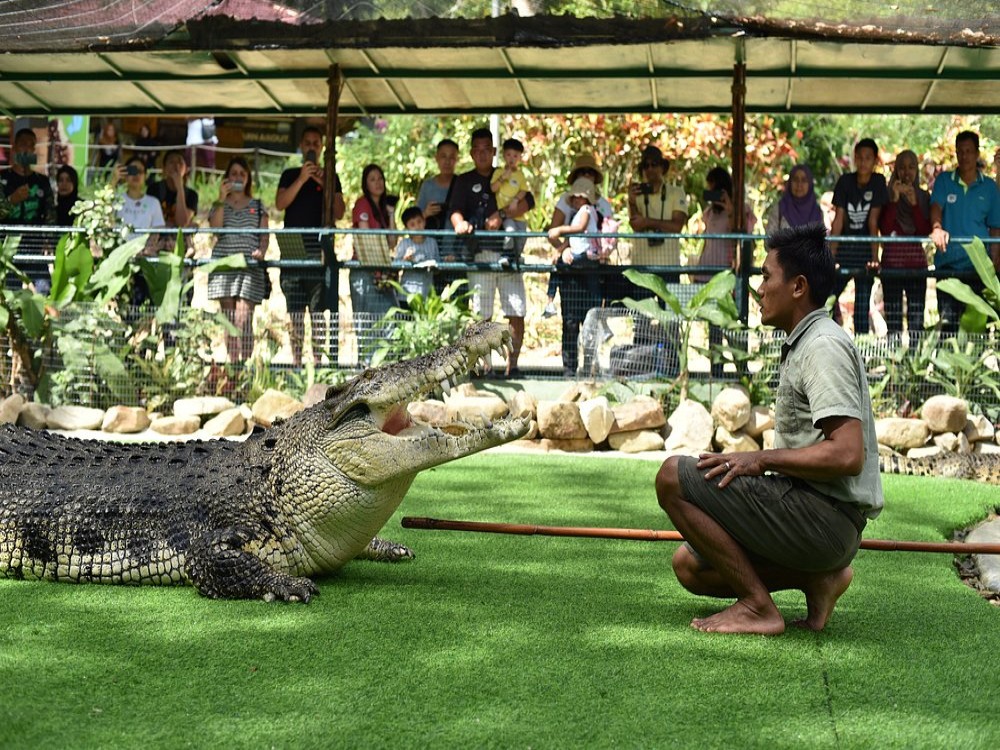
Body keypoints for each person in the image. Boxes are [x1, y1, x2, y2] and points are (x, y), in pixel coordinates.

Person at [655, 222, 882, 635]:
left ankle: (758, 607)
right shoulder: (807, 341)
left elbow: (848, 454)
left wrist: (758, 459)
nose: (759, 288)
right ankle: (818, 579)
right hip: (818, 521)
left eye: (765, 276)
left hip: (824, 518)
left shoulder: (822, 346)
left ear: (797, 287)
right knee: (689, 567)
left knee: (672, 477)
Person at [450, 127, 532, 378]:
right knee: (481, 314)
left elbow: (528, 202)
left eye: (488, 149)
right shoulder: (463, 181)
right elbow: (455, 210)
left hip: (509, 255)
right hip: (481, 254)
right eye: (478, 149)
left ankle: (513, 366)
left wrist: (503, 215)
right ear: (472, 152)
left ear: (494, 151)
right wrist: (459, 224)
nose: (483, 154)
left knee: (515, 310)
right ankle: (482, 368)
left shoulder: (512, 173)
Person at [275, 125, 346, 364]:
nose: (312, 147)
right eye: (308, 143)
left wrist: (324, 182)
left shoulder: (331, 177)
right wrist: (302, 179)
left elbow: (339, 211)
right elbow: (280, 203)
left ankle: (318, 363)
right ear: (301, 146)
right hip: (293, 251)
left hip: (319, 252)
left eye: (317, 143)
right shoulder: (289, 174)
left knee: (318, 313)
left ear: (322, 147)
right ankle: (296, 364)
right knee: (295, 313)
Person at [929, 130, 1000, 333]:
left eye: (969, 151)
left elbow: (996, 227)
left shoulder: (989, 188)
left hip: (978, 269)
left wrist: (993, 263)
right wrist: (937, 228)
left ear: (977, 153)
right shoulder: (944, 181)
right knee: (947, 325)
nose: (965, 156)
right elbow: (935, 207)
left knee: (978, 330)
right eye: (960, 151)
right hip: (948, 266)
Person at [695, 166, 757, 378]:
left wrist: (730, 208)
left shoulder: (741, 211)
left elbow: (741, 235)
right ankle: (716, 373)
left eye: (716, 190)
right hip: (709, 272)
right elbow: (706, 240)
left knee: (733, 327)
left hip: (729, 275)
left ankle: (742, 374)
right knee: (714, 328)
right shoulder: (710, 213)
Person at [207, 156, 269, 362]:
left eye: (242, 174)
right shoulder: (219, 203)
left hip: (249, 267)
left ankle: (246, 364)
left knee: (244, 318)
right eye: (233, 173)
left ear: (248, 178)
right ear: (227, 177)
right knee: (229, 320)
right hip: (224, 266)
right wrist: (221, 197)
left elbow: (264, 235)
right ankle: (233, 364)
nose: (238, 177)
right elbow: (216, 229)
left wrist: (261, 251)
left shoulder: (258, 205)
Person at [829, 138, 889, 335]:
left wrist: (874, 258)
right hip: (844, 251)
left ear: (874, 161)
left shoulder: (879, 182)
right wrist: (830, 258)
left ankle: (862, 353)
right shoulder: (845, 182)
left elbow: (874, 222)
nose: (863, 162)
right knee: (827, 298)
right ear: (855, 159)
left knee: (862, 307)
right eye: (859, 158)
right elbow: (838, 221)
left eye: (868, 158)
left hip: (865, 252)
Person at [545, 153, 615, 317]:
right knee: (570, 319)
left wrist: (604, 252)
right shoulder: (567, 200)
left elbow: (601, 232)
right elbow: (553, 231)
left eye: (589, 172)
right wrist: (563, 249)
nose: (585, 175)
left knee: (593, 316)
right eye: (581, 171)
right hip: (571, 265)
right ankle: (549, 302)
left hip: (594, 263)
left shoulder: (600, 205)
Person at [547, 177, 604, 376]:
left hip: (587, 267)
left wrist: (559, 229)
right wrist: (560, 249)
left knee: (589, 323)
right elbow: (574, 239)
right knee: (570, 323)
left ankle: (588, 368)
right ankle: (569, 369)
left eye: (580, 197)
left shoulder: (587, 212)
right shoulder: (578, 213)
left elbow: (578, 230)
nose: (576, 201)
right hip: (573, 270)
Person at [879, 149, 931, 335]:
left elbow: (925, 231)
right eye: (901, 168)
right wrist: (893, 200)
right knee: (893, 320)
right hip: (891, 265)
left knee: (916, 320)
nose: (906, 172)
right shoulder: (886, 194)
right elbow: (884, 230)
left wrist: (915, 204)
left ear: (917, 170)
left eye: (911, 167)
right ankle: (894, 361)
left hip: (916, 265)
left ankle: (914, 362)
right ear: (896, 170)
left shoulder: (924, 196)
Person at [351, 163, 398, 356]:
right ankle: (366, 366)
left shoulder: (384, 208)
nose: (378, 182)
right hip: (365, 270)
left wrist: (392, 214)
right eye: (372, 179)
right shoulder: (362, 204)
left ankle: (385, 365)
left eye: (380, 178)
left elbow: (393, 242)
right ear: (365, 184)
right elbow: (366, 236)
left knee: (389, 319)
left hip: (382, 272)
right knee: (367, 322)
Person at [627, 145, 689, 277]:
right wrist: (632, 202)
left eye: (654, 164)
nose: (650, 169)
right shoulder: (637, 193)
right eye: (646, 165)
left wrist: (648, 222)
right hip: (642, 267)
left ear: (662, 167)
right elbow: (636, 225)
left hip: (668, 266)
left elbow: (677, 226)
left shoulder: (676, 193)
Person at [416, 138, 461, 293]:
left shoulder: (462, 183)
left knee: (460, 305)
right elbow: (414, 221)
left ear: (457, 159)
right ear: (436, 158)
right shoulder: (428, 186)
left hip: (458, 255)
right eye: (443, 156)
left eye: (451, 157)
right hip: (433, 255)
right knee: (432, 304)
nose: (447, 161)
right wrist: (426, 213)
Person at [1, 128, 55, 255]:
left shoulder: (42, 181)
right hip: (5, 247)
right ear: (14, 148)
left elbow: (50, 215)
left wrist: (48, 240)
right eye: (23, 144)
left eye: (31, 145)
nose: (27, 149)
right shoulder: (2, 178)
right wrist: (12, 200)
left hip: (34, 245)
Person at [148, 149, 198, 246]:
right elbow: (150, 220)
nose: (176, 166)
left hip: (179, 241)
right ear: (164, 168)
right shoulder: (154, 189)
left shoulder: (192, 195)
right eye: (171, 162)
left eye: (180, 162)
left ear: (186, 168)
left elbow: (182, 223)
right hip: (157, 239)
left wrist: (179, 188)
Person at [112, 157, 165, 248]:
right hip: (119, 250)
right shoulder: (116, 199)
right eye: (132, 171)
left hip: (145, 251)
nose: (136, 175)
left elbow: (157, 230)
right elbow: (104, 206)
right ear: (125, 174)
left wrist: (147, 249)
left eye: (140, 171)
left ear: (145, 176)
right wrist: (114, 179)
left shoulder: (153, 202)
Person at [491, 137, 529, 260]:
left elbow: (524, 190)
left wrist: (516, 200)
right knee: (510, 231)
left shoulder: (520, 175)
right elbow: (493, 188)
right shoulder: (498, 172)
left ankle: (517, 256)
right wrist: (503, 178)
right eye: (509, 155)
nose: (512, 159)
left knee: (522, 235)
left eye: (515, 156)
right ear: (503, 155)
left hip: (519, 215)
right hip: (506, 214)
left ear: (520, 158)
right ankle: (506, 255)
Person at [394, 206, 440, 302]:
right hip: (407, 295)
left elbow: (438, 268)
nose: (417, 226)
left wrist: (443, 262)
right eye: (412, 224)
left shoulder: (432, 242)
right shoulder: (404, 244)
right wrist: (405, 259)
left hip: (427, 294)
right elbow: (395, 267)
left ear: (424, 222)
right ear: (407, 228)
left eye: (419, 222)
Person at [764, 164, 823, 233]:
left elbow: (822, 241)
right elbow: (769, 240)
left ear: (809, 184)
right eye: (795, 180)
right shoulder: (779, 210)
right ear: (790, 183)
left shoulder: (817, 212)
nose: (799, 184)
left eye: (804, 180)